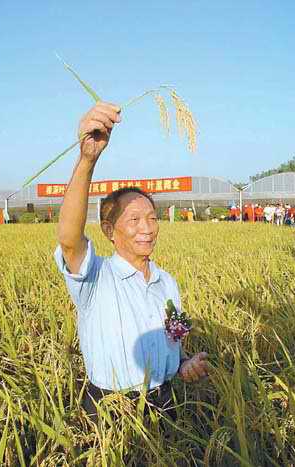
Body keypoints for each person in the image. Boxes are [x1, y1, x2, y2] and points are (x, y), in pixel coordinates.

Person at [54, 102, 208, 425]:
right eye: (135, 219)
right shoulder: (95, 278)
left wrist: (184, 364)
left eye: (152, 218)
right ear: (110, 231)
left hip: (164, 402)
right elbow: (69, 239)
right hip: (109, 410)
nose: (147, 228)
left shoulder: (167, 282)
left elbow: (173, 343)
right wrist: (87, 160)